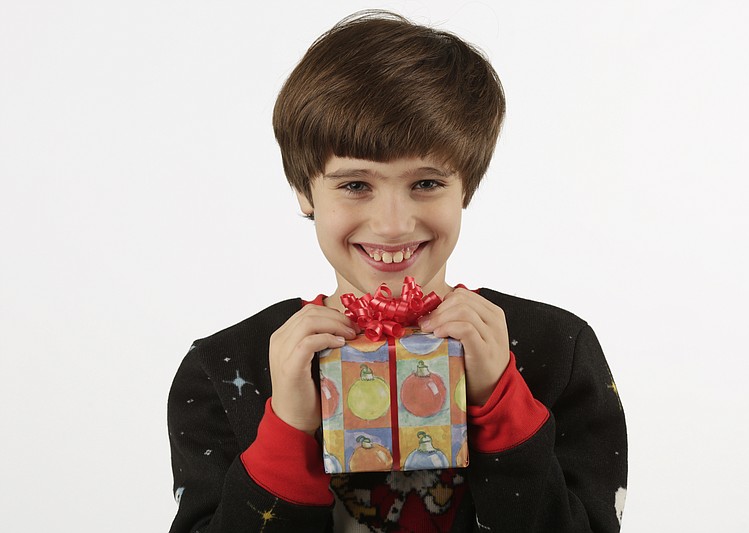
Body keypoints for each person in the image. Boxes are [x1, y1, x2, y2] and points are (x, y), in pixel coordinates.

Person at [167, 10, 627, 532]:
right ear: (303, 191)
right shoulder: (225, 370)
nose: (391, 225)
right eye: (355, 185)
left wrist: (502, 405)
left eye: (426, 184)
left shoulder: (555, 350)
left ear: (466, 188)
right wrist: (287, 428)